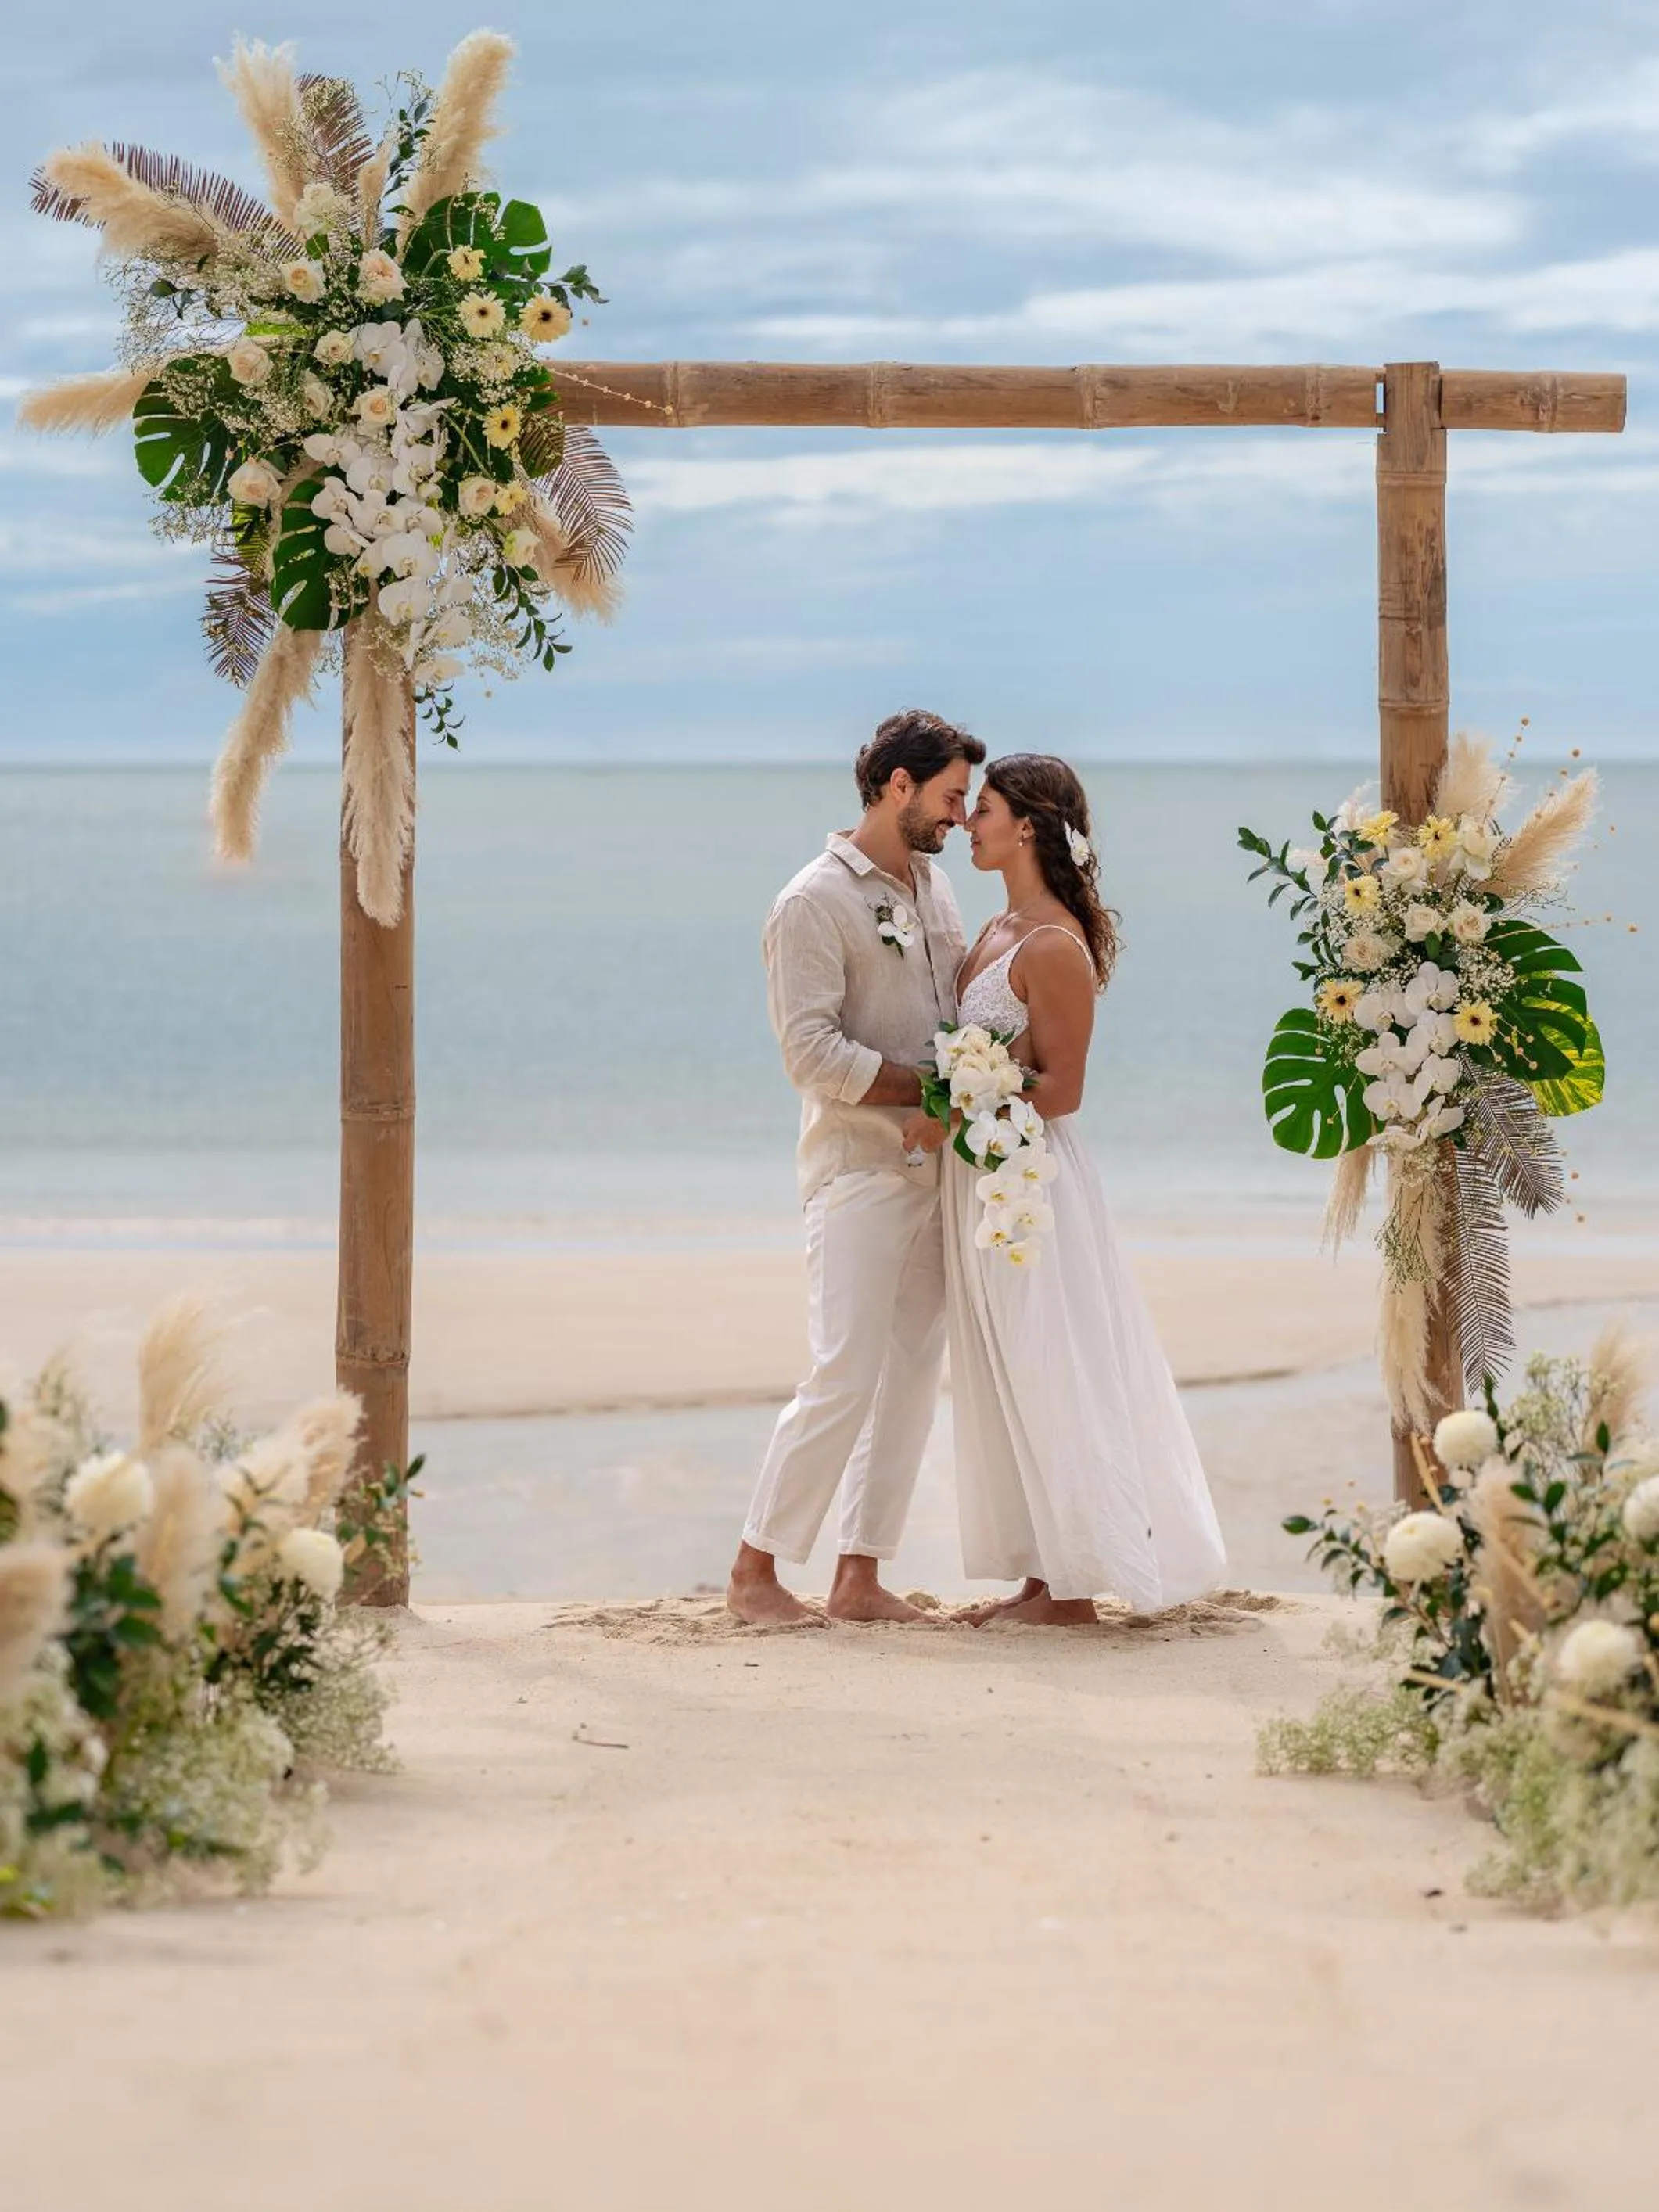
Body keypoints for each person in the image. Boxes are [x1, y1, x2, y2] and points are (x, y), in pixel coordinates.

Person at [901, 753, 1226, 1625]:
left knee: (1052, 1366)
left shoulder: (1050, 944)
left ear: (1028, 827)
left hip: (1029, 1185)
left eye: (984, 810)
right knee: (1011, 1370)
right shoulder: (995, 928)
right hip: (986, 1175)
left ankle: (1073, 1591)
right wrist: (964, 1098)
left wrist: (952, 1109)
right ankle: (1044, 1575)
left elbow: (1064, 1088)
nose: (967, 823)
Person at [726, 709, 985, 1627]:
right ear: (898, 784)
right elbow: (810, 1053)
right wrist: (929, 1091)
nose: (961, 816)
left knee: (911, 1374)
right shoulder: (811, 901)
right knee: (843, 1369)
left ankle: (859, 1574)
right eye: (950, 796)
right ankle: (754, 1570)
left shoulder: (936, 890)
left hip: (938, 1170)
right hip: (857, 1171)